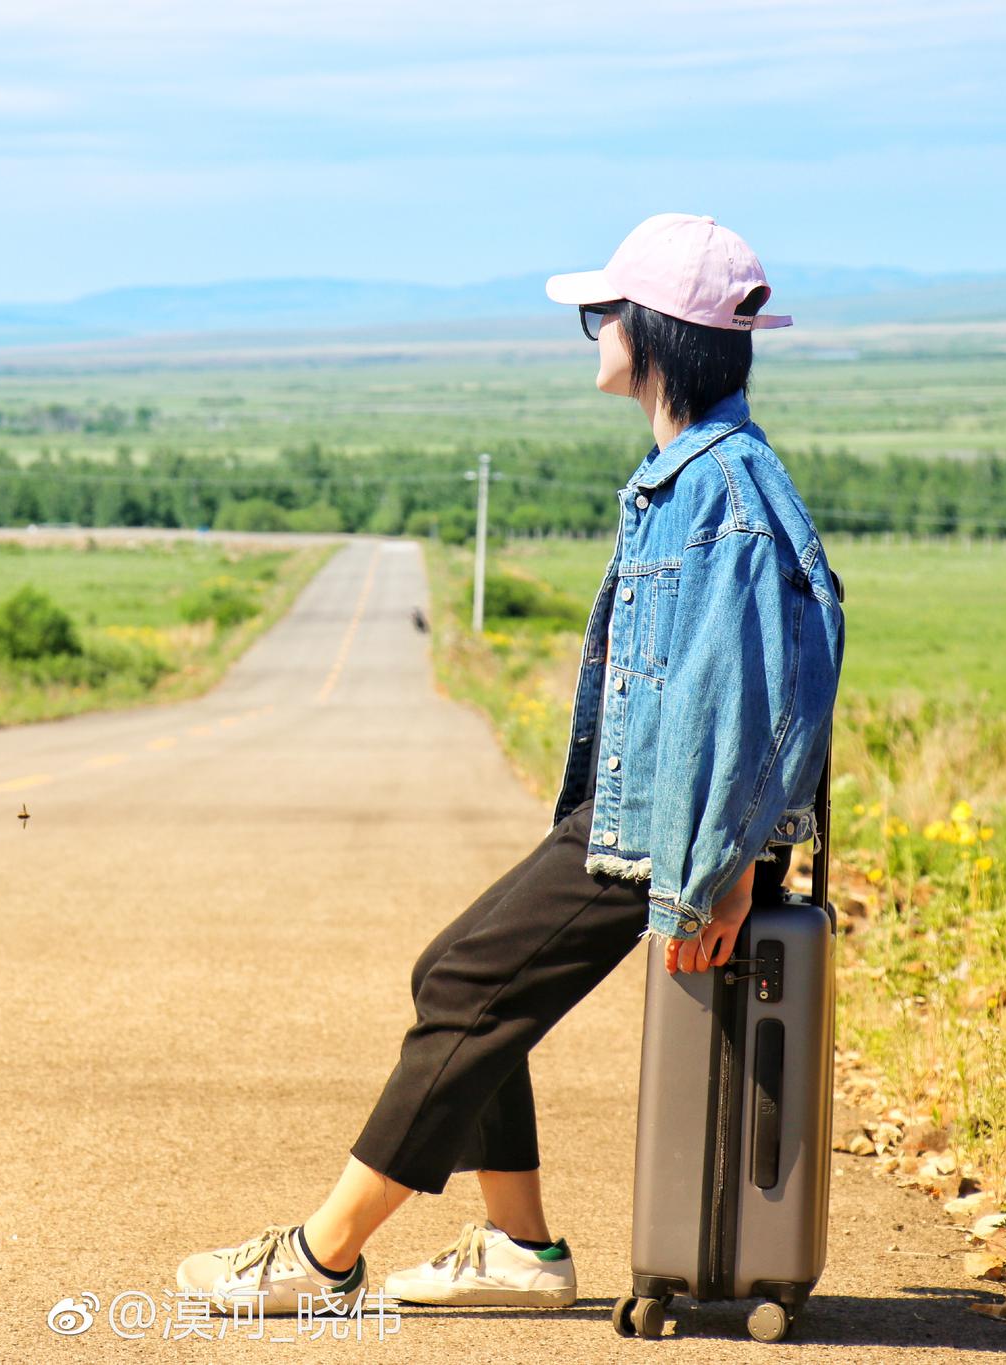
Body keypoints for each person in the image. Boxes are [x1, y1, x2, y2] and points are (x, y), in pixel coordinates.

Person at [176, 213, 846, 1314]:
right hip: (641, 819)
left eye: (602, 315)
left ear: (654, 334)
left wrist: (719, 873)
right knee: (456, 975)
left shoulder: (721, 496)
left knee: (462, 988)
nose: (594, 333)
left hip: (665, 836)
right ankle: (519, 1251)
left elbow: (763, 700)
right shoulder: (691, 475)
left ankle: (322, 1256)